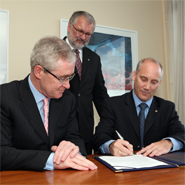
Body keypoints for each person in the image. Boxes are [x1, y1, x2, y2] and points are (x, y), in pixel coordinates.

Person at [0, 36, 97, 171]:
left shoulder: (67, 99)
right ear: (39, 72)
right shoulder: (5, 97)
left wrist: (73, 151)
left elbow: (75, 138)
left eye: (70, 77)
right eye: (62, 78)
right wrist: (51, 160)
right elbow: (2, 153)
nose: (68, 85)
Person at [92, 58, 185, 157]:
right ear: (134, 75)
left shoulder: (167, 108)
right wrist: (110, 146)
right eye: (143, 79)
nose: (147, 87)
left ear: (159, 83)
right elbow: (98, 138)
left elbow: (182, 135)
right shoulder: (113, 105)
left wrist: (168, 143)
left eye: (153, 82)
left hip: (157, 169)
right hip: (124, 167)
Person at [64, 11, 109, 154]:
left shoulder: (94, 58)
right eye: (80, 31)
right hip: (60, 127)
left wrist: (111, 121)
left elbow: (100, 94)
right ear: (69, 26)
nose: (83, 37)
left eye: (88, 34)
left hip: (85, 129)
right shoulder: (54, 51)